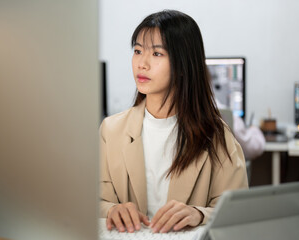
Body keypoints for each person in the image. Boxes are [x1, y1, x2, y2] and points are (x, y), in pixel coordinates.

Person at [99, 10, 248, 234]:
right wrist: (112, 210)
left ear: (183, 64)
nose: (142, 63)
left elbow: (240, 212)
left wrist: (199, 214)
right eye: (138, 51)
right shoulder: (111, 130)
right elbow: (92, 201)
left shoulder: (216, 134)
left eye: (157, 54)